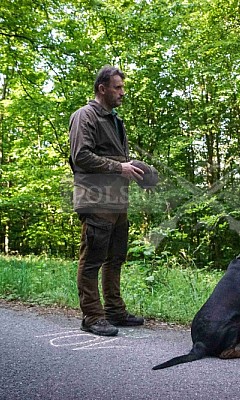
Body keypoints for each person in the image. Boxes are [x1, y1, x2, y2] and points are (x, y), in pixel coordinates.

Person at [69, 65, 146, 336]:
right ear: (102, 89)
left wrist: (134, 169)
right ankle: (92, 316)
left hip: (117, 201)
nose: (122, 92)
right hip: (96, 201)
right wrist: (120, 167)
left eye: (123, 87)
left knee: (115, 259)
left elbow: (116, 160)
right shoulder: (84, 116)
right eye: (118, 87)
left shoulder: (115, 120)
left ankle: (114, 311)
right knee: (92, 260)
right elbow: (81, 156)